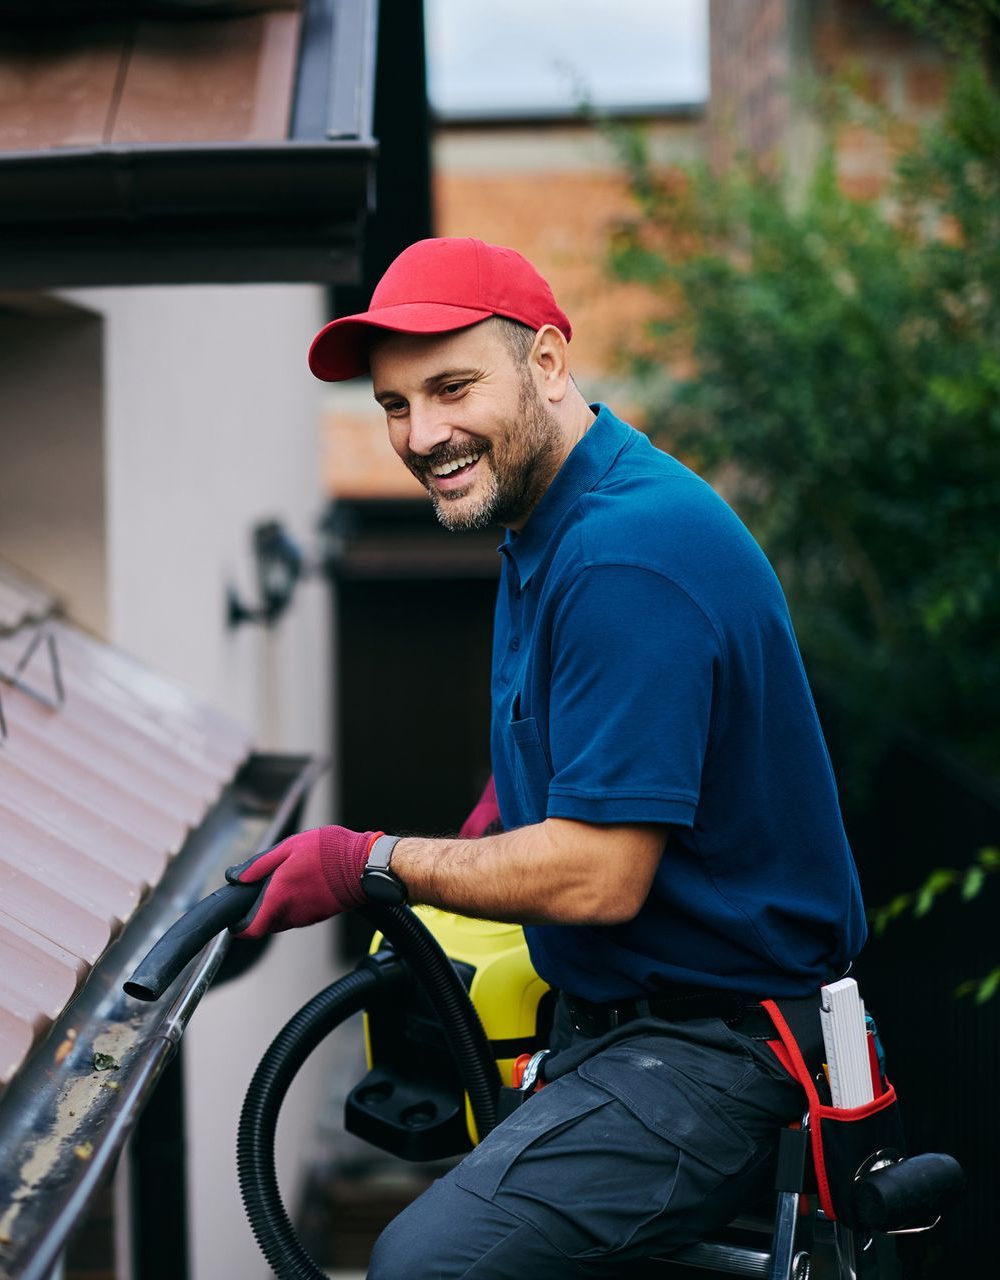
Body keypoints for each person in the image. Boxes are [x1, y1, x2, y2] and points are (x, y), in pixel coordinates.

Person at [228, 237, 867, 1276]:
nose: (423, 433)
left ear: (550, 363)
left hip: (719, 1051)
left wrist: (367, 861)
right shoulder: (548, 523)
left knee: (424, 1264)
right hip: (622, 1023)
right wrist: (484, 824)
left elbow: (600, 873)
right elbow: (567, 743)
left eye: (452, 386)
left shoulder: (627, 553)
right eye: (395, 404)